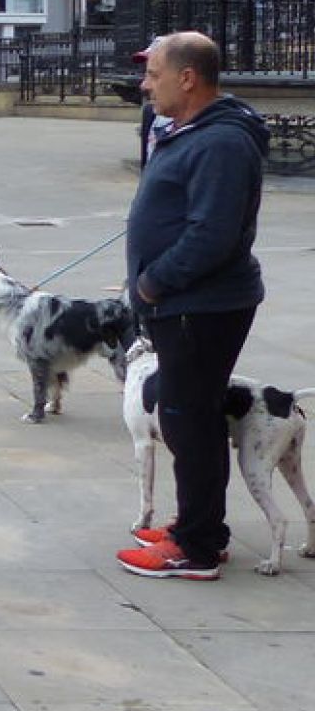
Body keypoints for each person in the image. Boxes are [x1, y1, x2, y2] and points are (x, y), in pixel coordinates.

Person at [116, 32, 267, 581]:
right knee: (189, 419)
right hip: (187, 305)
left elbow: (214, 234)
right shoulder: (190, 130)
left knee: (190, 421)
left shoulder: (222, 143)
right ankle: (198, 527)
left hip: (199, 306)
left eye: (153, 74)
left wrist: (153, 282)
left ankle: (196, 548)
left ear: (187, 78)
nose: (144, 83)